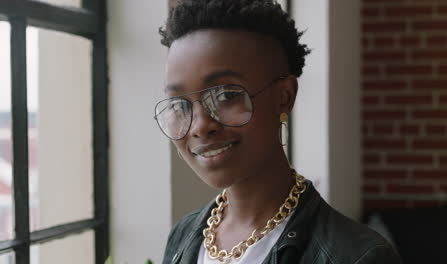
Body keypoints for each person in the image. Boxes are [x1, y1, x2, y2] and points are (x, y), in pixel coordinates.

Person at [155, 0, 401, 263]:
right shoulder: (183, 236)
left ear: (284, 96)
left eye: (227, 94)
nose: (200, 126)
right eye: (180, 104)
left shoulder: (356, 256)